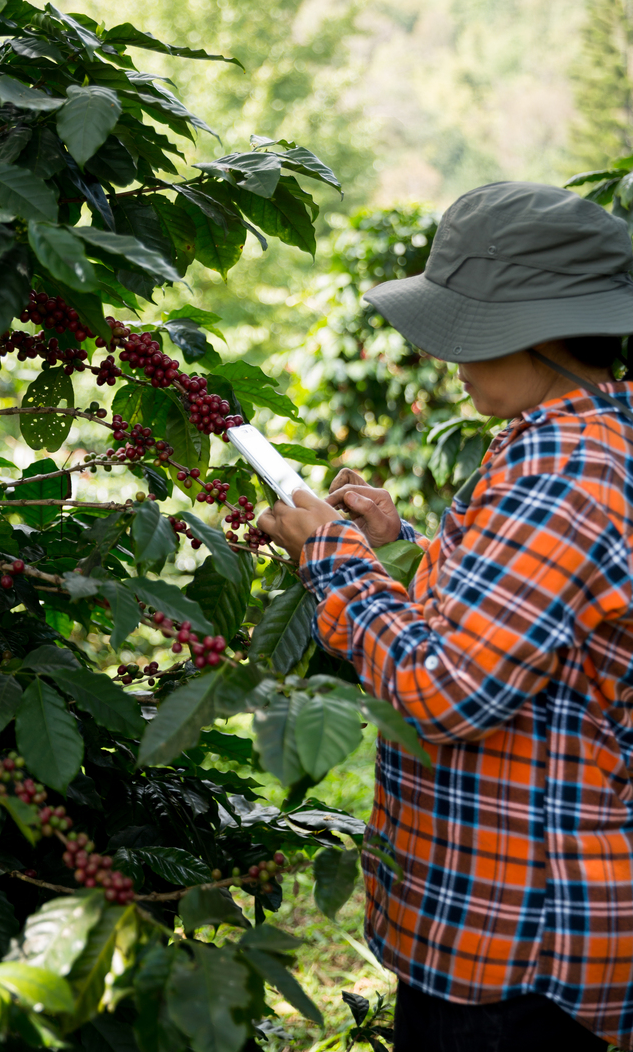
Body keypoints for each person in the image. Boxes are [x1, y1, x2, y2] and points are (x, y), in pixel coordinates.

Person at [257, 181, 633, 1052]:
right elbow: (528, 627)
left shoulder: (562, 476)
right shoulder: (573, 444)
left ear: (536, 331)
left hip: (519, 949)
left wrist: (329, 555)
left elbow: (441, 687)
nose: (447, 358)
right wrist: (395, 547)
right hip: (510, 927)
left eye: (467, 329)